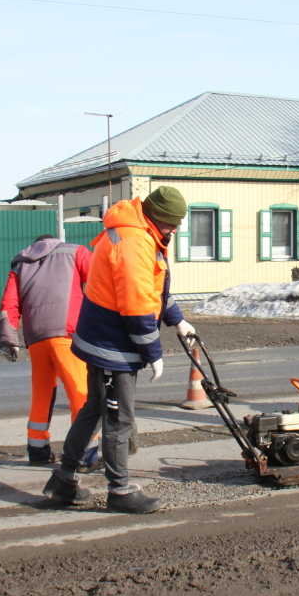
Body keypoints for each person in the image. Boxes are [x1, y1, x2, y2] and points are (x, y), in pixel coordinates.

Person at [42, 186, 196, 514]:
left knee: (95, 410)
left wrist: (177, 320)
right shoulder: (135, 241)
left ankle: (63, 479)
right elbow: (137, 303)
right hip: (113, 344)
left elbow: (154, 288)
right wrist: (153, 351)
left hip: (102, 337)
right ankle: (120, 490)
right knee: (118, 417)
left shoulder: (141, 233)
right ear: (158, 217)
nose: (176, 229)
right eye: (173, 223)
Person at [0, 234, 100, 468]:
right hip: (67, 333)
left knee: (42, 393)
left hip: (36, 338)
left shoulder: (20, 264)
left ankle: (37, 450)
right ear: (56, 242)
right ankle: (86, 453)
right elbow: (101, 279)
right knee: (80, 393)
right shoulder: (74, 252)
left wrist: (8, 338)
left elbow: (8, 305)